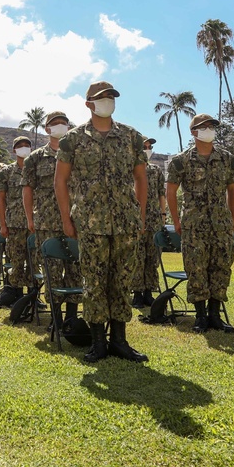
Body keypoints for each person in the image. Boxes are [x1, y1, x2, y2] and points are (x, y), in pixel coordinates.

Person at [56, 81, 149, 363]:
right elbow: (60, 181)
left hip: (125, 222)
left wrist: (140, 214)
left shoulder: (131, 136)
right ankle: (98, 343)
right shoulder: (72, 139)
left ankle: (119, 340)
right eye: (102, 97)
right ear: (88, 103)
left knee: (121, 282)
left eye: (111, 97)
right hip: (90, 223)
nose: (108, 101)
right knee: (94, 282)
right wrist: (66, 219)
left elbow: (141, 178)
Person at [166, 114, 234, 333]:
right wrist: (176, 221)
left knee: (221, 267)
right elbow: (170, 191)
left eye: (212, 126)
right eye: (204, 127)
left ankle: (215, 315)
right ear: (194, 132)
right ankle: (200, 317)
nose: (209, 129)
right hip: (193, 224)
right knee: (196, 269)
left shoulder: (228, 159)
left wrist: (232, 219)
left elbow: (233, 190)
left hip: (221, 224)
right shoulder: (181, 160)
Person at [22, 111, 81, 329]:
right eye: (54, 124)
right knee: (52, 272)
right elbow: (27, 190)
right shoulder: (35, 158)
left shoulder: (78, 153)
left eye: (64, 123)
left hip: (76, 220)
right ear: (47, 129)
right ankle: (56, 319)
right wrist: (30, 218)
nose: (59, 127)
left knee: (76, 269)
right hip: (47, 221)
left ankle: (72, 318)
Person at [131, 137, 167, 308]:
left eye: (150, 146)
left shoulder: (156, 170)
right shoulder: (129, 169)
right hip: (135, 220)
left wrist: (163, 214)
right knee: (137, 257)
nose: (148, 149)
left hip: (153, 219)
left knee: (153, 258)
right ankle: (137, 293)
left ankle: (148, 292)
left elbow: (162, 194)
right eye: (144, 146)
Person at [0, 137, 32, 293]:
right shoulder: (6, 172)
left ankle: (33, 296)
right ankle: (16, 294)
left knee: (34, 261)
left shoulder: (34, 168)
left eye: (27, 146)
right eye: (20, 146)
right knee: (16, 261)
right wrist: (3, 225)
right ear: (14, 150)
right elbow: (1, 199)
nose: (23, 148)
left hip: (34, 223)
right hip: (14, 224)